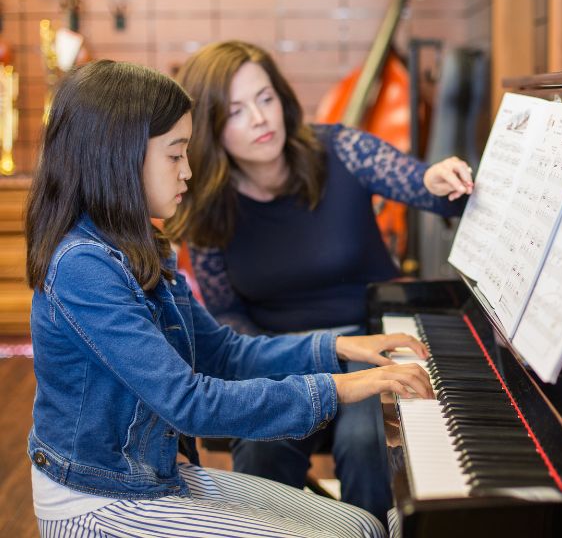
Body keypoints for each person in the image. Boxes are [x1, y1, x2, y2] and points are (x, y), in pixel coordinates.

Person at [26, 59, 435, 538]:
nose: (189, 172)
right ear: (119, 158)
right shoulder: (83, 266)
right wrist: (344, 387)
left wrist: (341, 349)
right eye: (175, 155)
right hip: (98, 499)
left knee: (364, 526)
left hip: (152, 473)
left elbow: (222, 352)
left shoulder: (143, 244)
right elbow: (189, 402)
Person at [166, 40, 474, 524]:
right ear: (209, 127)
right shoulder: (207, 204)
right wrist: (281, 366)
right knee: (261, 450)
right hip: (281, 356)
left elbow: (423, 185)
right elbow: (227, 314)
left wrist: (437, 179)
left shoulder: (342, 149)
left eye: (265, 99)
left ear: (282, 97)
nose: (260, 119)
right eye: (236, 112)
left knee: (367, 440)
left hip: (373, 342)